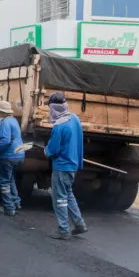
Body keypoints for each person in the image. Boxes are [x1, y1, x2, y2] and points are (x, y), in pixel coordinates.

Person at [43, 92, 87, 240]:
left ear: (53, 108)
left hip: (61, 167)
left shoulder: (58, 127)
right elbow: (79, 141)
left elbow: (53, 149)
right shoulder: (74, 119)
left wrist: (46, 150)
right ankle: (79, 223)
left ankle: (63, 230)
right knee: (68, 195)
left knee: (59, 199)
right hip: (72, 166)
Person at [0, 100, 24, 217]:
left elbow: (5, 141)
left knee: (4, 182)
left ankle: (9, 208)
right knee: (10, 179)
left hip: (8, 156)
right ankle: (16, 202)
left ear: (1, 112)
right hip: (18, 155)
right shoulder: (14, 121)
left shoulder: (5, 123)